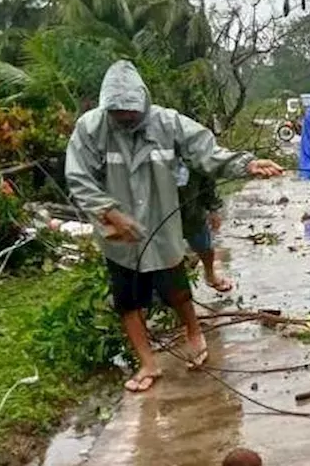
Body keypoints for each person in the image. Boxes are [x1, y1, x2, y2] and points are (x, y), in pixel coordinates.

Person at [65, 60, 283, 394]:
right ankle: (148, 362)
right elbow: (79, 178)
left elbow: (206, 152)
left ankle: (194, 334)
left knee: (177, 291)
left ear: (144, 103)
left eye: (131, 111)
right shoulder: (91, 129)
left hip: (161, 225)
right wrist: (109, 212)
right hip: (118, 235)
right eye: (118, 112)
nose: (125, 117)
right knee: (128, 301)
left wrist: (247, 163)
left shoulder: (168, 123)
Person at [176, 164, 232, 292]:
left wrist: (213, 209)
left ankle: (210, 273)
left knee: (204, 247)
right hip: (160, 214)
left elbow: (208, 178)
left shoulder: (193, 151)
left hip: (193, 209)